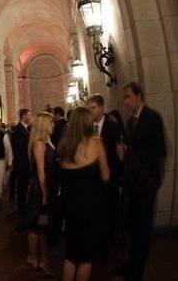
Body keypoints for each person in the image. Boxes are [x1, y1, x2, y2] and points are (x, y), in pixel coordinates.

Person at [116, 82, 166, 281]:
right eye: (124, 98)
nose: (125, 101)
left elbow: (159, 152)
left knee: (143, 231)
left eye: (127, 97)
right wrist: (123, 154)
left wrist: (153, 182)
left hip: (146, 184)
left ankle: (136, 272)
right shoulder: (129, 122)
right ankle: (129, 265)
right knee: (133, 229)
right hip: (132, 184)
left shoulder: (152, 118)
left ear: (139, 96)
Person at [58, 106, 110, 281]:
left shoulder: (65, 147)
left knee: (71, 255)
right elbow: (106, 176)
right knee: (86, 258)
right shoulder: (96, 144)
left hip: (71, 207)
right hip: (91, 207)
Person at [22, 112, 56, 276]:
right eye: (51, 122)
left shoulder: (46, 141)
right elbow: (41, 171)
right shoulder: (39, 144)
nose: (53, 125)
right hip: (39, 187)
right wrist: (45, 194)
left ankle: (41, 259)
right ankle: (33, 256)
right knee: (35, 225)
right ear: (44, 124)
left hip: (44, 185)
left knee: (41, 225)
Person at [87, 94, 124, 240]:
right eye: (88, 109)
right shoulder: (87, 129)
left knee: (110, 212)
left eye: (93, 108)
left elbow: (119, 155)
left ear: (102, 108)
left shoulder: (114, 127)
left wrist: (118, 177)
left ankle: (109, 241)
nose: (91, 112)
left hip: (110, 178)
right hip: (92, 180)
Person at [10, 108, 32, 215]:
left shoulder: (24, 128)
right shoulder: (19, 129)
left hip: (24, 161)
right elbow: (20, 146)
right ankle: (21, 208)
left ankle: (23, 205)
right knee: (22, 185)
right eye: (29, 115)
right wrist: (31, 143)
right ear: (23, 116)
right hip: (21, 161)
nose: (30, 117)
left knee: (23, 185)